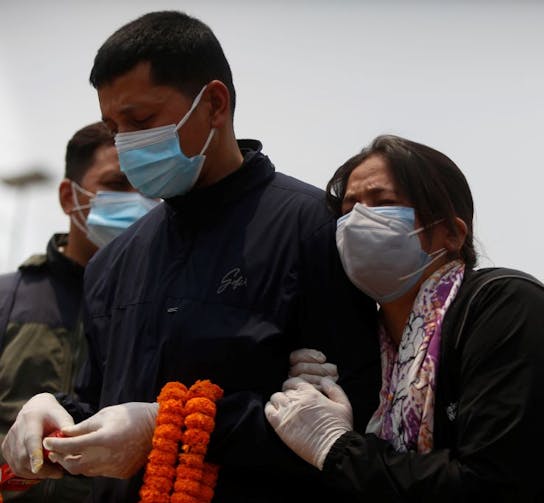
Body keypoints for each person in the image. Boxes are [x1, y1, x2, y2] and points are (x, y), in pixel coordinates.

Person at [1, 11, 379, 503]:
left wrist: (168, 429)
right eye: (114, 127)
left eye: (140, 122)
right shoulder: (115, 263)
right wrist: (56, 416)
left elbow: (347, 414)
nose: (126, 144)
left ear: (214, 104)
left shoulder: (311, 228)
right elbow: (103, 401)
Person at [265, 135, 544, 501]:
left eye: (383, 203)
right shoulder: (371, 348)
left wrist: (336, 447)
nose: (359, 222)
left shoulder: (507, 308)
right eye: (349, 209)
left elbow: (492, 485)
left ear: (452, 233)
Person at [0, 121, 153, 502]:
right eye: (117, 185)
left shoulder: (165, 307)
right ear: (70, 197)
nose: (137, 202)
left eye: (147, 188)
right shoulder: (9, 298)